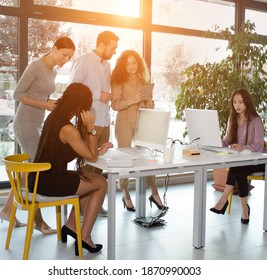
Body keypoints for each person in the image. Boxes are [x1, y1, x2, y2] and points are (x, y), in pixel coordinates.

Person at [0, 37, 76, 233]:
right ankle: (37, 221)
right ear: (54, 48)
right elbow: (18, 94)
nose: (66, 59)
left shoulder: (54, 70)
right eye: (64, 54)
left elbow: (41, 95)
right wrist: (44, 105)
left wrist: (52, 103)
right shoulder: (36, 65)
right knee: (35, 169)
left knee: (28, 169)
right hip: (24, 122)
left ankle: (8, 210)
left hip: (37, 122)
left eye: (69, 57)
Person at [31, 83, 113, 255]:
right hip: (50, 182)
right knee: (101, 183)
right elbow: (91, 158)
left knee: (90, 180)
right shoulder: (68, 128)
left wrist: (99, 150)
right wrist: (91, 128)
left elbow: (87, 153)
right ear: (78, 106)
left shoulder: (54, 118)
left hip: (41, 177)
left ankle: (71, 226)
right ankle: (85, 237)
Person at [68, 30, 119, 217]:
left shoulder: (108, 65)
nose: (114, 51)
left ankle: (93, 204)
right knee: (87, 167)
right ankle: (79, 209)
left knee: (99, 166)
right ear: (102, 44)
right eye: (112, 47)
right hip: (89, 120)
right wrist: (99, 94)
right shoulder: (83, 61)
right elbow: (73, 88)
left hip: (105, 120)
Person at [111, 50, 167, 211]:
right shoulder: (118, 80)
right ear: (123, 65)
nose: (131, 67)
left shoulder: (144, 80)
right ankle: (125, 192)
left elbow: (150, 105)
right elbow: (114, 105)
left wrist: (148, 102)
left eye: (133, 63)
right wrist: (132, 100)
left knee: (146, 156)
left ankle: (153, 190)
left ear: (138, 63)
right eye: (127, 64)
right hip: (124, 121)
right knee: (124, 159)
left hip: (142, 121)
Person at [210, 88, 267, 224]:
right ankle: (244, 209)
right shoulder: (233, 119)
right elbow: (228, 139)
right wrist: (215, 143)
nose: (237, 105)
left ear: (247, 102)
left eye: (241, 102)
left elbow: (258, 146)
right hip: (242, 162)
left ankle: (224, 199)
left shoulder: (255, 120)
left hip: (258, 161)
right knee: (239, 170)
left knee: (237, 167)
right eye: (235, 102)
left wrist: (242, 148)